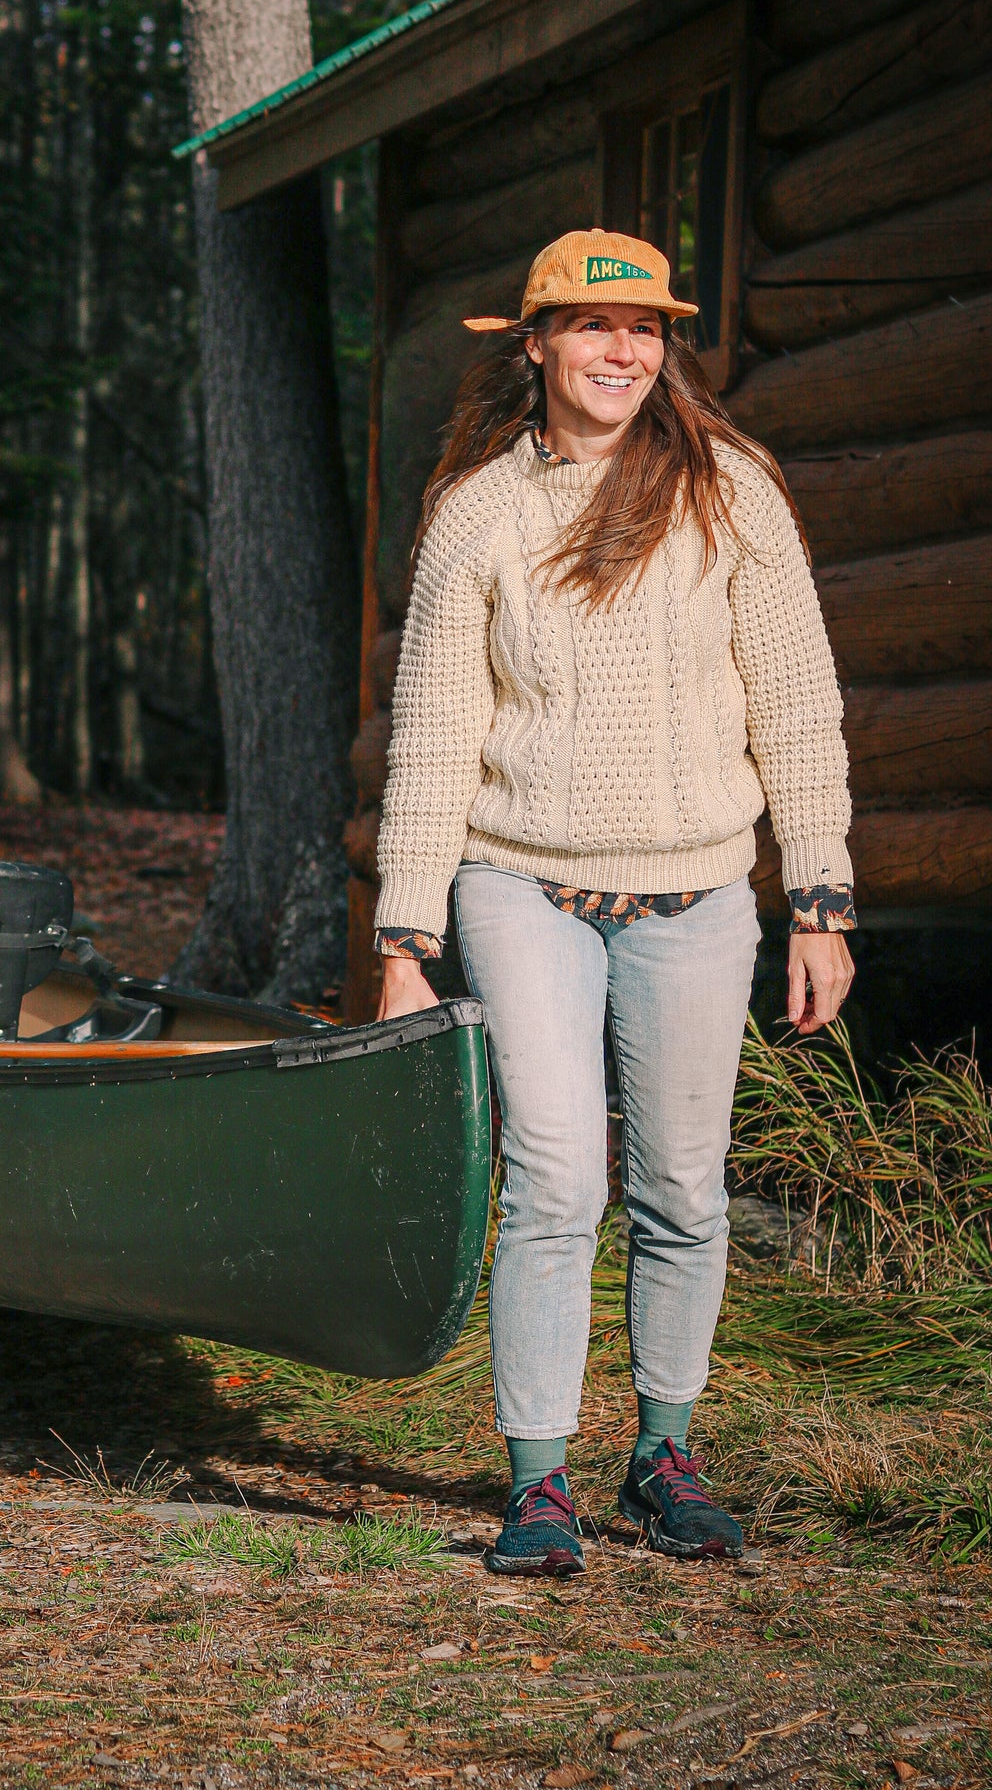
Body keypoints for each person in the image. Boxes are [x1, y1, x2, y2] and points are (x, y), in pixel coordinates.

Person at [374, 229, 855, 1576]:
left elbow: (799, 706)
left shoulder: (733, 491)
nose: (619, 352)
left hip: (699, 894)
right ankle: (538, 1482)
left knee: (685, 1191)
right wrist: (406, 936)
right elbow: (433, 734)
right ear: (532, 344)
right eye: (589, 328)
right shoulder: (479, 511)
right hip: (523, 884)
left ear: (665, 348)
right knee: (554, 1179)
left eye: (642, 330)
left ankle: (665, 1456)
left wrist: (820, 896)